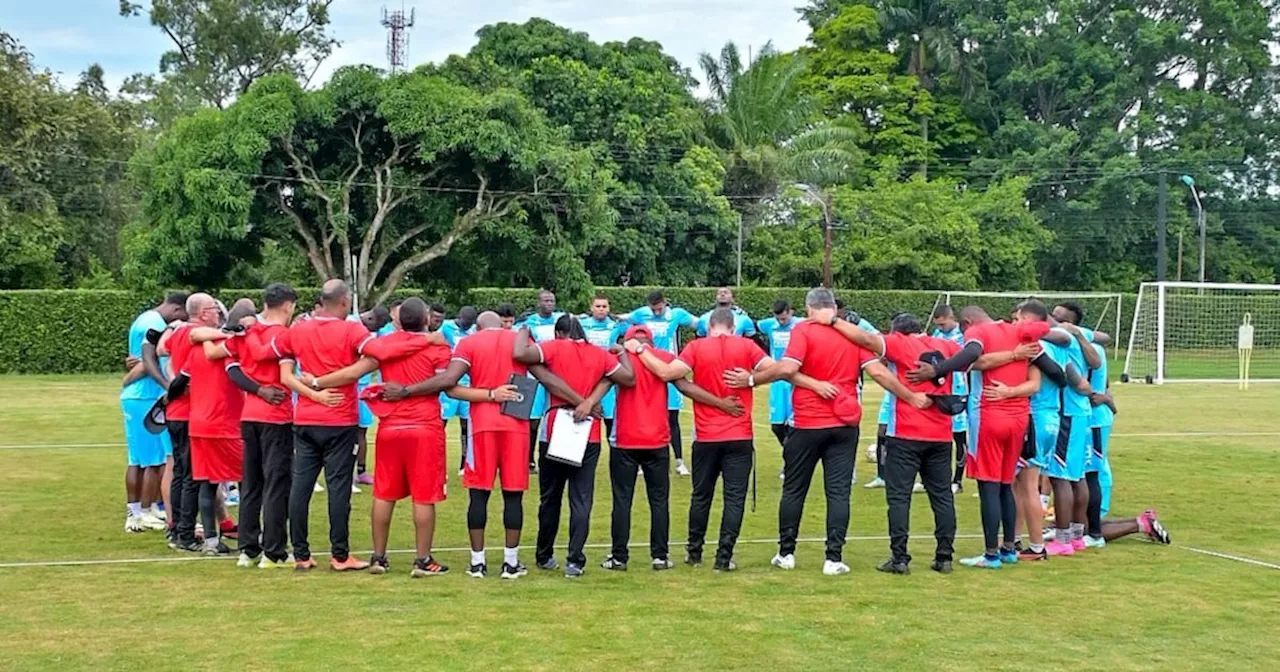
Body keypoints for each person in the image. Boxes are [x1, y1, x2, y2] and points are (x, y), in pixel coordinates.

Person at [310, 298, 516, 577]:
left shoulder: (386, 346)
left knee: (383, 493)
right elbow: (448, 385)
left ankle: (379, 558)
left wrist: (316, 382)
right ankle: (422, 560)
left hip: (390, 427)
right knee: (424, 495)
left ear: (398, 320)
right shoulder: (437, 345)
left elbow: (359, 368)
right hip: (425, 427)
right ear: (425, 320)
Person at [725, 289, 924, 576]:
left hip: (808, 423)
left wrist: (753, 379)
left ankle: (786, 552)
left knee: (794, 489)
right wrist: (910, 396)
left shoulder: (803, 330)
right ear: (833, 307)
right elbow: (879, 373)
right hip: (844, 424)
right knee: (838, 492)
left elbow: (787, 368)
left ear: (809, 308)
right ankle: (833, 558)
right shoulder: (852, 333)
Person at [380, 311, 584, 581]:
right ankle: (510, 564)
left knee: (479, 493)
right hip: (516, 425)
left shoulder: (469, 343)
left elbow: (448, 383)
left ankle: (478, 563)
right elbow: (547, 378)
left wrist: (406, 390)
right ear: (502, 324)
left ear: (477, 327)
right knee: (513, 494)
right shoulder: (518, 341)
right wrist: (582, 401)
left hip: (482, 424)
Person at [908, 305, 1052, 569]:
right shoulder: (1021, 333)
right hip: (1019, 417)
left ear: (967, 323)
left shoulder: (979, 332)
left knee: (988, 485)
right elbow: (1046, 373)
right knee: (1006, 483)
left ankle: (991, 554)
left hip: (990, 415)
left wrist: (937, 371)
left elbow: (973, 357)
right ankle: (1009, 547)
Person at [816, 311, 961, 575]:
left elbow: (868, 340)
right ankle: (944, 556)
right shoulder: (947, 344)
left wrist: (835, 320)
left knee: (899, 498)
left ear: (897, 332)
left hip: (905, 432)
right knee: (941, 497)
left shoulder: (901, 343)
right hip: (941, 434)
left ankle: (900, 558)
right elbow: (973, 359)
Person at [627, 308, 767, 572]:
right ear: (733, 327)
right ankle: (724, 558)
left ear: (709, 326)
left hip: (707, 435)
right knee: (734, 498)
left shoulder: (696, 347)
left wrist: (640, 350)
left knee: (701, 495)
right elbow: (777, 370)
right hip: (740, 434)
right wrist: (751, 380)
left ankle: (694, 552)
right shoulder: (747, 346)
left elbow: (667, 373)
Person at [598, 325, 744, 571]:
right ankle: (660, 555)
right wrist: (721, 403)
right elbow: (687, 388)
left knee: (622, 500)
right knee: (659, 499)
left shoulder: (619, 359)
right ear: (651, 342)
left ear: (629, 340)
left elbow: (600, 382)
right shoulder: (664, 358)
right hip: (657, 439)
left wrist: (588, 403)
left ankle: (619, 557)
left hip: (625, 438)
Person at [513, 315, 635, 578]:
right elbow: (627, 377)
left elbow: (520, 353)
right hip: (587, 432)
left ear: (559, 333)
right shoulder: (599, 354)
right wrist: (622, 353)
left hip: (556, 426)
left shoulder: (555, 348)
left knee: (550, 498)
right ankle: (575, 560)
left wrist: (523, 330)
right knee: (581, 499)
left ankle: (544, 554)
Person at [272, 280, 378, 572]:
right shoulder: (352, 330)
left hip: (305, 418)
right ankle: (340, 555)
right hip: (340, 418)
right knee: (338, 488)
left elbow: (286, 375)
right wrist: (323, 387)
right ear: (344, 302)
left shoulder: (298, 329)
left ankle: (301, 553)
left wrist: (313, 390)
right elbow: (373, 359)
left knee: (301, 486)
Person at [218, 284, 298, 569]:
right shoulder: (281, 335)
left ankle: (248, 549)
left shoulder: (245, 332)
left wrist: (253, 389)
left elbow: (230, 367)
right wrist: (264, 389)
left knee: (251, 482)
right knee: (276, 483)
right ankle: (274, 552)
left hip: (248, 415)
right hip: (276, 416)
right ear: (288, 306)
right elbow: (263, 356)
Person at [180, 298, 258, 557]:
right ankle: (250, 539)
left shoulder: (199, 346)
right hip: (225, 423)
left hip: (199, 422)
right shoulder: (233, 345)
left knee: (208, 482)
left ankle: (212, 542)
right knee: (248, 481)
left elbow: (184, 375)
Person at [120, 292, 187, 534]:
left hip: (143, 396)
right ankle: (140, 512)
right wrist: (129, 378)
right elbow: (147, 363)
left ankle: (147, 508)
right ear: (177, 310)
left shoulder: (145, 318)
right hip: (144, 396)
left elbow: (139, 359)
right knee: (149, 460)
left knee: (149, 458)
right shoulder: (157, 325)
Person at [621, 290, 698, 476]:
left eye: (659, 309)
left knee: (672, 417)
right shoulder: (641, 314)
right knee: (643, 413)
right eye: (653, 309)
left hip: (668, 365)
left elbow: (699, 323)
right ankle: (639, 460)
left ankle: (679, 461)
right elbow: (622, 319)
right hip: (645, 366)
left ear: (665, 303)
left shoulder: (677, 314)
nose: (656, 313)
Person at [516, 290, 566, 474]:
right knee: (533, 421)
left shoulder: (561, 319)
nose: (549, 303)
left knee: (558, 417)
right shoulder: (528, 323)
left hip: (557, 375)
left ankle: (557, 458)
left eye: (552, 300)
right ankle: (529, 461)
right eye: (546, 300)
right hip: (536, 377)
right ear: (538, 303)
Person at [353, 305, 392, 490]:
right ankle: (346, 474)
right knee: (347, 432)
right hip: (347, 385)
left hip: (363, 386)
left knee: (362, 431)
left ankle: (360, 472)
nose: (376, 332)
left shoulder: (373, 331)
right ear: (370, 318)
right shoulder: (349, 324)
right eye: (377, 326)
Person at [931, 304, 969, 493]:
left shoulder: (963, 337)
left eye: (943, 325)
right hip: (940, 389)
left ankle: (957, 480)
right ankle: (933, 478)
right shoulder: (936, 336)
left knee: (959, 435)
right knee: (937, 433)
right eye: (937, 325)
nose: (940, 328)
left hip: (958, 389)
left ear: (951, 318)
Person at [579, 293, 627, 440]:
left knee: (610, 420)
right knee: (585, 417)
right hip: (587, 375)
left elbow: (635, 330)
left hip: (608, 376)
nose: (601, 309)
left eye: (604, 306)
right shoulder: (582, 324)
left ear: (608, 308)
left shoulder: (616, 325)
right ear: (591, 308)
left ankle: (615, 453)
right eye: (598, 306)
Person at [755, 300, 799, 458]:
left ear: (790, 312)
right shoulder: (769, 324)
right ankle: (790, 455)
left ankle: (790, 461)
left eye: (784, 319)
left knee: (794, 425)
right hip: (777, 379)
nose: (781, 322)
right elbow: (750, 330)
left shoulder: (801, 324)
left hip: (795, 378)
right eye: (778, 319)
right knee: (777, 426)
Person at [442, 306, 479, 474]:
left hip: (468, 384)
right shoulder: (446, 327)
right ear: (459, 317)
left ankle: (464, 464)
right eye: (465, 322)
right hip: (449, 383)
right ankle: (437, 463)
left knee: (467, 425)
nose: (467, 326)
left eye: (470, 324)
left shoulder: (474, 331)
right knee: (440, 424)